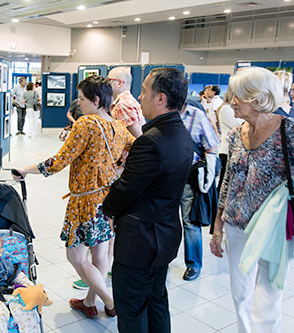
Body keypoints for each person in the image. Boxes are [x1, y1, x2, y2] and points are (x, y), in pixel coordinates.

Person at [210, 67, 294, 332]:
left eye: (237, 96)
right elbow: (228, 179)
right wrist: (217, 225)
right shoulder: (235, 134)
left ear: (257, 97)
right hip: (236, 225)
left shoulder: (289, 130)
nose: (232, 102)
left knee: (268, 298)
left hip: (274, 227)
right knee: (241, 296)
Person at [12, 75, 134, 319]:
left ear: (96, 99)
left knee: (75, 256)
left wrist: (25, 169)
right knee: (100, 254)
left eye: (81, 98)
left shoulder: (86, 124)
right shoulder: (118, 126)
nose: (79, 104)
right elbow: (134, 147)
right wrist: (117, 169)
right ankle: (90, 302)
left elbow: (58, 162)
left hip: (85, 201)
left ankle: (110, 301)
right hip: (109, 197)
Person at [102, 67, 193, 332]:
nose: (140, 98)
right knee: (156, 301)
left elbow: (127, 189)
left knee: (131, 309)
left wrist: (107, 209)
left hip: (140, 240)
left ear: (161, 98)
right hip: (165, 234)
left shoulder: (151, 141)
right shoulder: (182, 135)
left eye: (143, 92)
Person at [179, 98, 220, 281]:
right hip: (166, 178)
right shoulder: (162, 112)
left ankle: (193, 264)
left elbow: (212, 146)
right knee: (164, 219)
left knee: (190, 223)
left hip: (189, 178)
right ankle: (163, 258)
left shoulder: (197, 115)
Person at [108, 67, 146, 138]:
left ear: (119, 83)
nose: (107, 85)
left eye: (109, 80)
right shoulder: (128, 101)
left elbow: (138, 137)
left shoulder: (122, 105)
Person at [217, 88, 243, 190]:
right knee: (224, 183)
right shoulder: (226, 109)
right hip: (226, 151)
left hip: (232, 151)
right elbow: (238, 124)